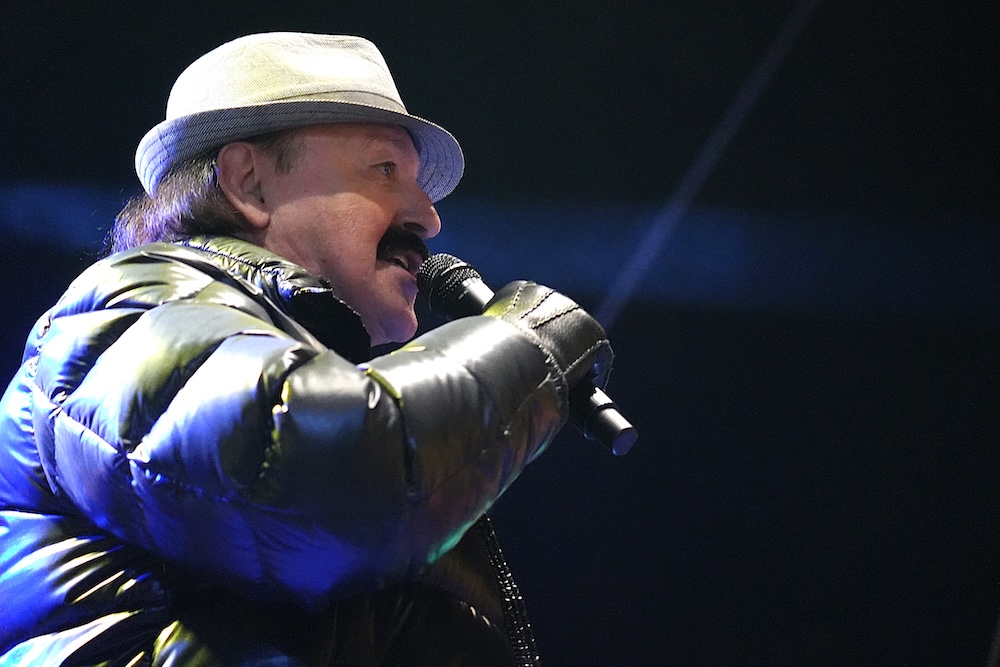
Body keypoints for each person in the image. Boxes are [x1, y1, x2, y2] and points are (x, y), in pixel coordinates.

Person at [0, 32, 613, 666]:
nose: (428, 217)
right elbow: (337, 492)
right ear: (250, 185)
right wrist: (524, 344)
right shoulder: (130, 307)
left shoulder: (297, 360)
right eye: (384, 170)